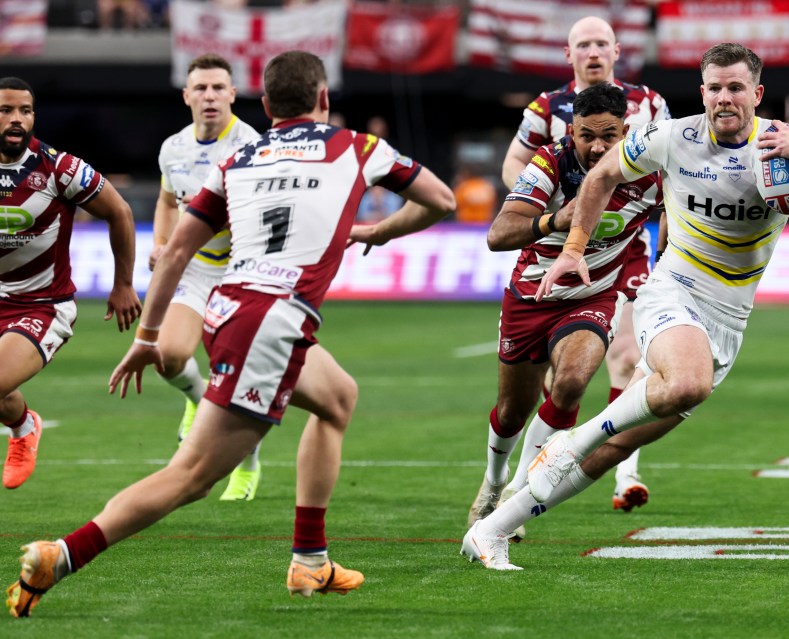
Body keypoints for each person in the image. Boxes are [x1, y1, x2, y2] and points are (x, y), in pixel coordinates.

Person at [6, 50, 456, 617]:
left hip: (230, 310)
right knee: (190, 476)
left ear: (265, 107)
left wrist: (147, 337)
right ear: (324, 100)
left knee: (338, 397)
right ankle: (61, 555)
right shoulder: (358, 147)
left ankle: (310, 561)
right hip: (271, 323)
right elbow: (441, 200)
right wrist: (375, 231)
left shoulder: (239, 158)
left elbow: (172, 256)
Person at [463, 42, 789, 570]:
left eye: (735, 88)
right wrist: (573, 249)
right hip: (674, 291)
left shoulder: (781, 149)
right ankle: (568, 442)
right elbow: (600, 178)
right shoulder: (672, 136)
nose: (723, 98)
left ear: (756, 94)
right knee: (688, 384)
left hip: (729, 319)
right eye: (714, 87)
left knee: (617, 450)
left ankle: (491, 531)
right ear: (703, 92)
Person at [489, 15, 670, 518]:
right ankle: (505, 475)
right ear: (569, 55)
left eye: (600, 44)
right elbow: (514, 169)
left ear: (616, 51)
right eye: (582, 44)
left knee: (627, 352)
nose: (592, 52)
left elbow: (669, 167)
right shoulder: (545, 109)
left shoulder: (650, 103)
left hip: (622, 244)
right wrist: (544, 197)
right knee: (524, 397)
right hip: (553, 243)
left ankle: (625, 471)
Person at [0, 77, 141, 491]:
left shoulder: (59, 168)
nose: (16, 120)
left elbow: (120, 212)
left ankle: (23, 427)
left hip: (42, 307)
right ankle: (25, 425)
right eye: (6, 110)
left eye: (25, 111)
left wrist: (124, 285)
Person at [152, 53, 263, 500]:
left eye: (219, 87)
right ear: (186, 96)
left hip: (240, 270)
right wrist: (161, 244)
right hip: (194, 267)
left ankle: (248, 464)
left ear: (233, 94)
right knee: (169, 355)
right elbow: (165, 201)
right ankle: (196, 401)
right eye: (201, 88)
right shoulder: (172, 149)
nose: (210, 95)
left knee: (235, 378)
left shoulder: (250, 145)